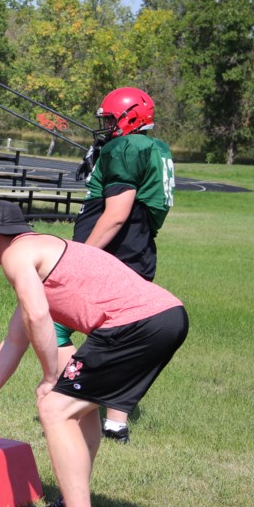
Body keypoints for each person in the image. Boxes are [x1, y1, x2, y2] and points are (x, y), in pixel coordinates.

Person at [0, 201, 188, 507]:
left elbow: (39, 314)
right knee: (80, 408)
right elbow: (16, 339)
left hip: (135, 325)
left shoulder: (17, 255)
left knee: (54, 407)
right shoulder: (43, 251)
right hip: (164, 317)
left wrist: (49, 377)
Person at [64, 86, 175, 443]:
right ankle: (115, 421)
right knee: (120, 331)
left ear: (130, 118)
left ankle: (69, 396)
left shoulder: (127, 147)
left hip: (119, 248)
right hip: (138, 246)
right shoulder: (153, 148)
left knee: (56, 322)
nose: (106, 126)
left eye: (111, 119)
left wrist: (82, 256)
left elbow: (116, 214)